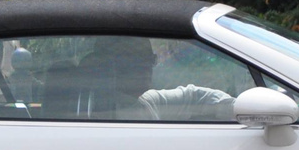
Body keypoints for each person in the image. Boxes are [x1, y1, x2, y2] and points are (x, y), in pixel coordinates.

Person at [83, 36, 235, 120]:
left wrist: (237, 108)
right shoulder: (103, 115)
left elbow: (193, 96)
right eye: (134, 60)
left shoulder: (146, 101)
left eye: (150, 58)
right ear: (111, 66)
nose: (147, 66)